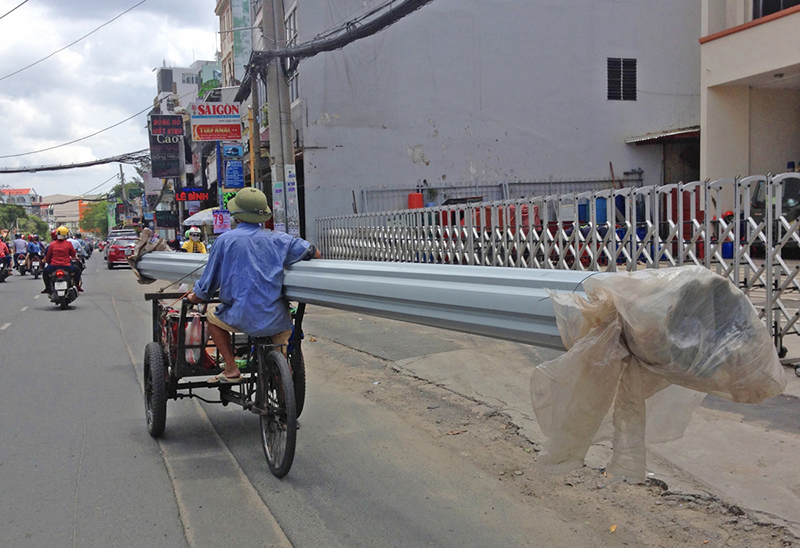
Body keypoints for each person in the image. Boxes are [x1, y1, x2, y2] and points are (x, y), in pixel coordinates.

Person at [187, 188, 320, 383]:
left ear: (237, 215)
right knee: (281, 354)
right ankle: (285, 387)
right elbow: (314, 254)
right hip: (275, 317)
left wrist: (193, 297)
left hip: (240, 317)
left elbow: (206, 286)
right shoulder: (279, 239)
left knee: (212, 317)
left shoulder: (224, 241)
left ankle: (231, 369)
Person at [43, 226, 81, 293]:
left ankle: (47, 288)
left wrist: (49, 262)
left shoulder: (52, 244)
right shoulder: (68, 244)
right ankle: (77, 286)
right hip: (66, 266)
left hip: (53, 266)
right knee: (77, 270)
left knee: (45, 272)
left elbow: (48, 256)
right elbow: (73, 255)